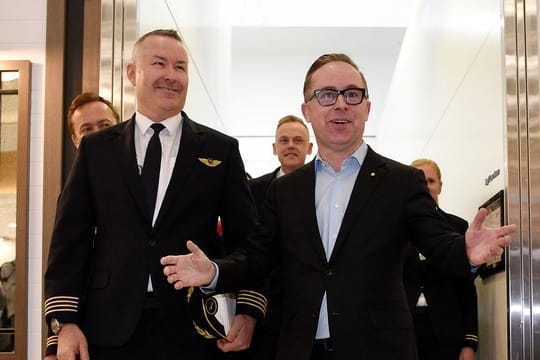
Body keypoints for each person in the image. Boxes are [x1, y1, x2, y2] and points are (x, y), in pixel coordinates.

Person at [161, 53, 516, 360]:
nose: (341, 104)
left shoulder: (402, 181)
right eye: (327, 95)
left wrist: (466, 252)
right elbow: (258, 258)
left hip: (379, 349)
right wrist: (215, 272)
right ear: (308, 110)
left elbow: (438, 243)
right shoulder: (286, 190)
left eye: (352, 94)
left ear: (367, 107)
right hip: (300, 348)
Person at [43, 29, 266, 360]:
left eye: (180, 67)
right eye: (159, 63)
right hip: (108, 330)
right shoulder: (96, 150)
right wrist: (63, 327)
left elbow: (248, 243)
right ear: (133, 73)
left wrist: (248, 310)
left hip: (196, 332)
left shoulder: (221, 150)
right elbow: (69, 244)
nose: (171, 76)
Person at [248, 115, 312, 359]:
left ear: (309, 147)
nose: (291, 145)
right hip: (264, 302)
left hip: (308, 302)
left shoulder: (325, 189)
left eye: (298, 140)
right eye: (284, 140)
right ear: (275, 148)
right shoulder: (253, 190)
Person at [403, 159, 478, 360]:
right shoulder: (393, 229)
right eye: (419, 181)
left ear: (440, 186)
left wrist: (470, 342)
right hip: (402, 332)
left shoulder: (458, 227)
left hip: (447, 333)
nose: (425, 187)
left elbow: (466, 287)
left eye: (430, 181)